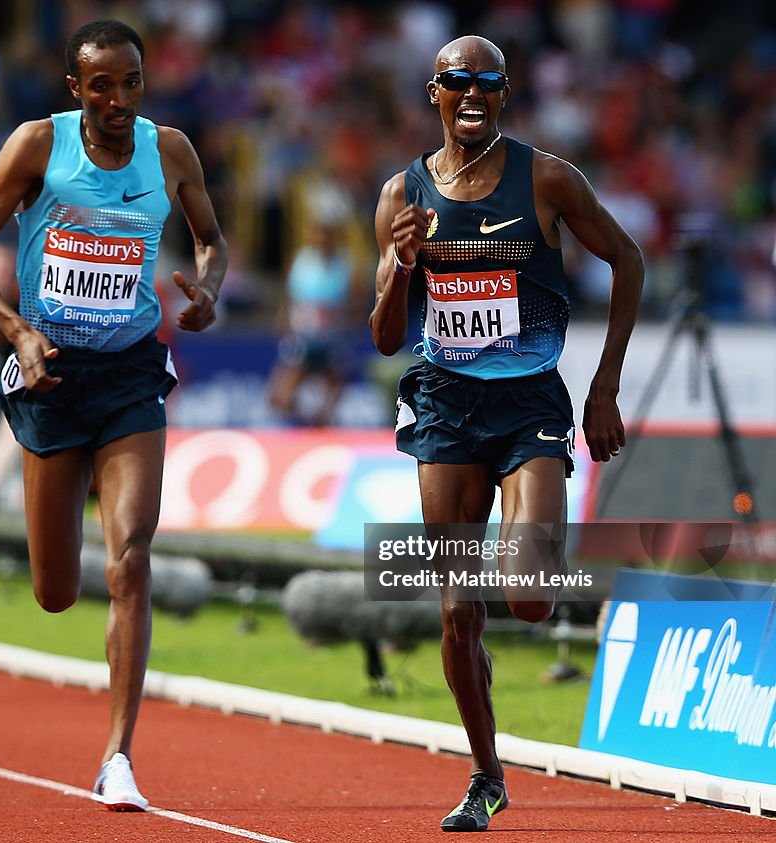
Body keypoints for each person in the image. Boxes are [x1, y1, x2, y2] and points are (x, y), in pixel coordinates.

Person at [0, 19, 227, 812]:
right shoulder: (38, 144)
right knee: (56, 589)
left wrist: (207, 290)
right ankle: (112, 739)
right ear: (75, 87)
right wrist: (19, 329)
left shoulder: (169, 150)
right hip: (51, 373)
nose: (117, 99)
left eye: (130, 82)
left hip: (132, 373)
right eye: (101, 84)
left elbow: (211, 239)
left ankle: (119, 756)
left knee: (130, 556)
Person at [370, 36, 643, 832]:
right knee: (459, 611)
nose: (474, 94)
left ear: (505, 91)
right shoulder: (402, 194)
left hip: (529, 403)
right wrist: (400, 266)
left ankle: (533, 551)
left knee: (526, 596)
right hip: (445, 406)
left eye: (488, 82)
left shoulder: (548, 178)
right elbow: (386, 335)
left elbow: (627, 260)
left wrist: (604, 385)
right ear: (435, 92)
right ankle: (485, 773)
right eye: (459, 82)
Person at [268, 215, 356, 427]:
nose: (321, 238)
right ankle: (306, 423)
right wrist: (283, 319)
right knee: (279, 396)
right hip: (303, 336)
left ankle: (321, 424)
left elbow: (354, 304)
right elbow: (289, 297)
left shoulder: (344, 265)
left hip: (330, 338)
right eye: (318, 233)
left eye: (327, 234)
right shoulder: (300, 261)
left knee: (335, 386)